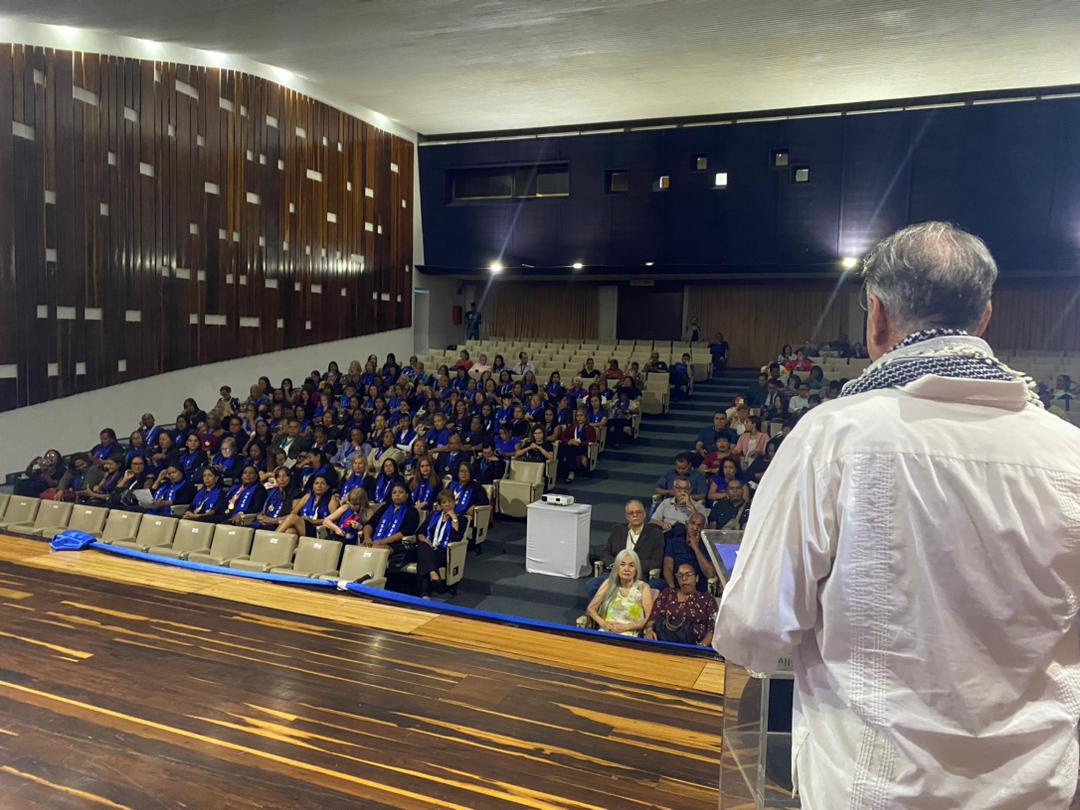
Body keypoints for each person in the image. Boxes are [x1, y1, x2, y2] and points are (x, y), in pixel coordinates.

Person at [714, 221, 1080, 809]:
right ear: (984, 317)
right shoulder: (1071, 451)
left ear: (877, 316)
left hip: (876, 788)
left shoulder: (832, 437)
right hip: (1040, 790)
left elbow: (754, 628)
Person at [587, 500, 665, 599]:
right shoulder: (617, 530)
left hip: (638, 576)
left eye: (638, 512)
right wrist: (617, 565)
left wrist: (631, 567)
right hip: (615, 573)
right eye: (631, 513)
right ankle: (601, 608)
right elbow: (605, 553)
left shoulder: (655, 534)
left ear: (644, 514)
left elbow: (656, 562)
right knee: (592, 584)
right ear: (626, 516)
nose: (635, 515)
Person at [585, 549, 653, 637]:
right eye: (622, 564)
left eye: (631, 565)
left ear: (636, 569)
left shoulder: (643, 587)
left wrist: (627, 627)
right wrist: (604, 624)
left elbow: (649, 617)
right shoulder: (609, 583)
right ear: (617, 567)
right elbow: (591, 609)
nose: (626, 569)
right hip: (606, 632)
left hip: (631, 635)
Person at [644, 563, 716, 646]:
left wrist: (702, 646)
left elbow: (712, 629)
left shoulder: (707, 599)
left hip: (694, 647)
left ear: (696, 578)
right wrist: (649, 630)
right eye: (680, 576)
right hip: (663, 644)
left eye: (688, 575)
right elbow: (652, 619)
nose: (684, 579)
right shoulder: (667, 594)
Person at [414, 490, 466, 597]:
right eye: (444, 502)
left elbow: (457, 538)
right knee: (423, 546)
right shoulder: (434, 515)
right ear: (440, 505)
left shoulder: (461, 519)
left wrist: (454, 519)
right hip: (429, 548)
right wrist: (424, 539)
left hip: (444, 551)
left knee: (423, 558)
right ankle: (433, 575)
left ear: (454, 502)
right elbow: (420, 533)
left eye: (450, 501)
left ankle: (426, 592)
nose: (447, 504)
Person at [661, 512, 716, 591]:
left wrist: (696, 548)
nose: (695, 528)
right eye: (692, 523)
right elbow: (668, 568)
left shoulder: (708, 546)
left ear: (703, 529)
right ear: (686, 524)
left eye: (699, 525)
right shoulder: (673, 542)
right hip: (676, 587)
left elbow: (710, 574)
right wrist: (672, 588)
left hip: (698, 589)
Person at [251, 466, 294, 531]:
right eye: (278, 477)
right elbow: (265, 509)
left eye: (284, 476)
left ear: (290, 477)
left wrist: (272, 521)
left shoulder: (296, 494)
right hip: (264, 523)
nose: (281, 479)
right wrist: (260, 516)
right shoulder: (273, 492)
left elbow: (293, 516)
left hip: (279, 525)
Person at [557, 409, 595, 483]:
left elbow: (592, 440)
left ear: (585, 417)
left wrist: (579, 443)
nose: (579, 418)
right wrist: (569, 441)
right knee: (563, 447)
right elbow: (563, 437)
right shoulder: (572, 427)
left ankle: (571, 472)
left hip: (583, 447)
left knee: (570, 449)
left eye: (581, 415)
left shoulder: (590, 428)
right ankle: (560, 470)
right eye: (577, 416)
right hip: (572, 446)